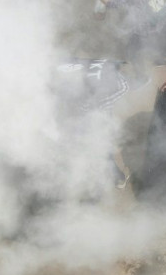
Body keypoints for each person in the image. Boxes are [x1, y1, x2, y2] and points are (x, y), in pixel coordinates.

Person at [56, 58, 131, 188]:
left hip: (90, 116)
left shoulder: (67, 68)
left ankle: (97, 177)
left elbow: (123, 87)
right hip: (90, 117)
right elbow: (124, 87)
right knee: (102, 148)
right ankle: (112, 178)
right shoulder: (101, 68)